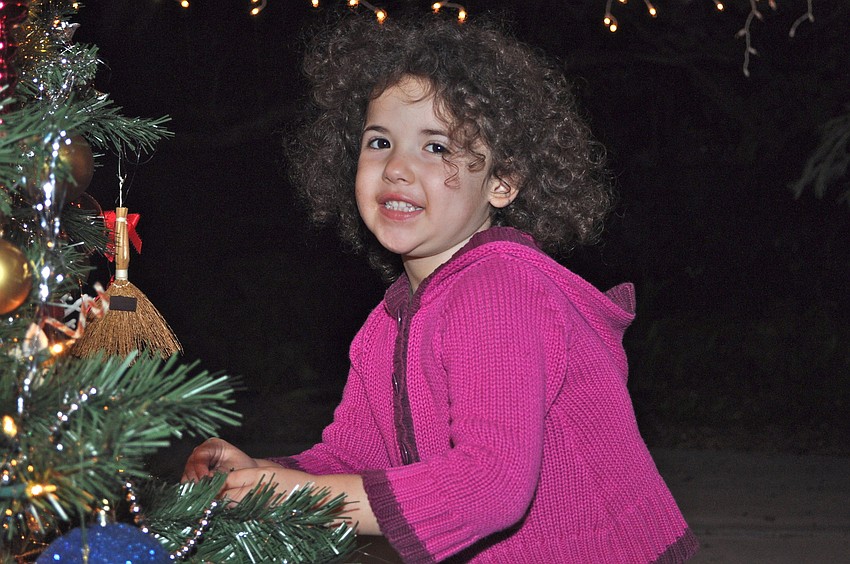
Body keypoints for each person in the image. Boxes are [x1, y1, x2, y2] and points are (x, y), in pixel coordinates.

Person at [183, 13, 699, 563]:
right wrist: (258, 474)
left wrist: (293, 494)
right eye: (379, 141)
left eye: (436, 147)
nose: (397, 168)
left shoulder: (501, 289)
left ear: (502, 180)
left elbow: (491, 487)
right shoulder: (386, 325)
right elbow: (352, 458)